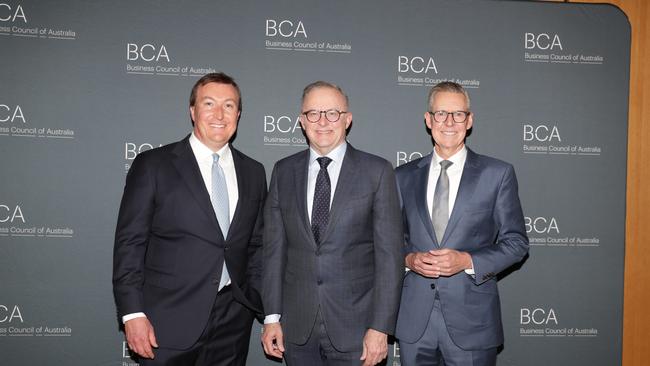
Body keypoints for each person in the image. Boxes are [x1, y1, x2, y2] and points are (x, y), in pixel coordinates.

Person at [112, 72, 266, 365]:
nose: (219, 114)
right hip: (166, 321)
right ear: (193, 111)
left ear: (239, 114)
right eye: (209, 103)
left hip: (234, 321)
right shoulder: (153, 165)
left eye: (229, 105)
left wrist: (262, 306)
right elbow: (130, 244)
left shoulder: (254, 172)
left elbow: (256, 246)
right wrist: (132, 313)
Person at [261, 81, 403, 366]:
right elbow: (274, 251)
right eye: (313, 113)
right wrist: (271, 317)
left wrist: (380, 328)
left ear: (347, 119)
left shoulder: (377, 171)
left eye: (333, 113)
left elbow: (390, 257)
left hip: (357, 329)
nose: (322, 121)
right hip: (297, 329)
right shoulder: (283, 171)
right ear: (302, 121)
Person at [394, 81, 529, 366]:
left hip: (474, 322)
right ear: (428, 120)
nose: (449, 122)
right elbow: (387, 242)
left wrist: (467, 260)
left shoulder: (497, 174)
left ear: (469, 121)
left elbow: (516, 243)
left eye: (458, 114)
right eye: (441, 114)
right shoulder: (402, 176)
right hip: (414, 324)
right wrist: (409, 259)